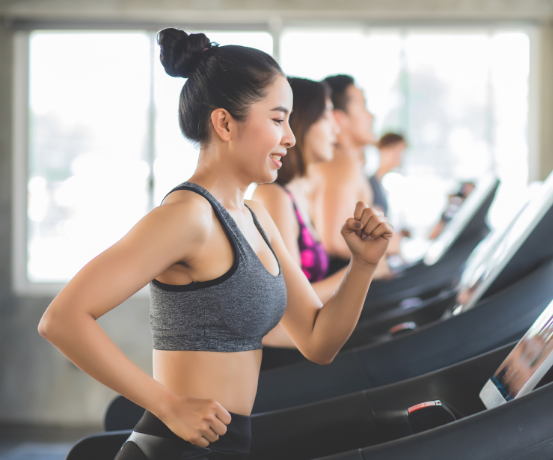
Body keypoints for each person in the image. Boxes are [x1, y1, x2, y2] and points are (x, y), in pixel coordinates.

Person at [37, 29, 393, 460]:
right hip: (171, 449)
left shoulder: (258, 217)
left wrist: (363, 266)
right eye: (278, 120)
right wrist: (166, 404)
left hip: (231, 447)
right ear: (224, 123)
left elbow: (319, 343)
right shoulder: (189, 216)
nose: (290, 138)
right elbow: (61, 319)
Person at [252, 77, 346, 367]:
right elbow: (292, 305)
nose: (336, 128)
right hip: (282, 360)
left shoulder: (297, 194)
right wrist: (362, 271)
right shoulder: (273, 197)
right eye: (327, 115)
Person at [309, 74, 379, 277]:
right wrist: (384, 249)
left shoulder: (347, 163)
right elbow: (333, 241)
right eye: (363, 106)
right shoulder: (340, 164)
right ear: (339, 118)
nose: (371, 117)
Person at [370, 132, 407, 215]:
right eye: (396, 151)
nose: (399, 157)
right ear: (382, 150)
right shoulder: (370, 184)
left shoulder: (380, 183)